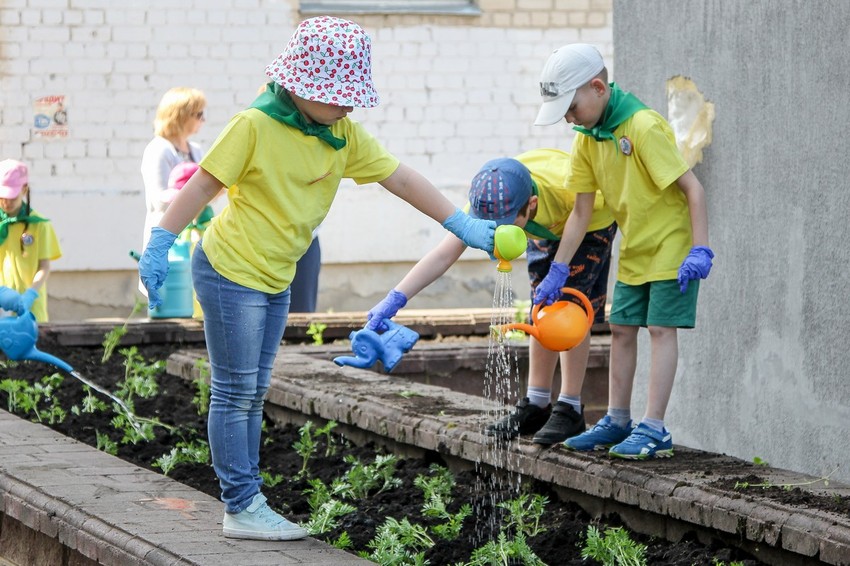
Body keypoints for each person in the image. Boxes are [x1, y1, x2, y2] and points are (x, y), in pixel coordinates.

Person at [137, 16, 496, 542]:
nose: (349, 106)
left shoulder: (340, 133)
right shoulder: (254, 125)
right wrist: (161, 240)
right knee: (236, 392)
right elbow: (202, 187)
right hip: (228, 272)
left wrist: (457, 221)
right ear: (304, 84)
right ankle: (240, 506)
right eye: (339, 95)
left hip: (275, 276)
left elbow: (399, 177)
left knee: (255, 392)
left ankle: (246, 499)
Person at [531, 44, 713, 459]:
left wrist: (700, 249)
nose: (569, 118)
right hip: (634, 246)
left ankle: (654, 427)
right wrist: (557, 271)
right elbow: (580, 212)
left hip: (672, 247)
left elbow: (693, 189)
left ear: (597, 88)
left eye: (571, 107)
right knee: (620, 329)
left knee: (661, 329)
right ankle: (616, 420)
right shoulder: (586, 139)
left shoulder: (643, 126)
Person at [366, 150, 616, 445]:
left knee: (569, 309)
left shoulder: (562, 189)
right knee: (542, 304)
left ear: (530, 206)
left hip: (588, 216)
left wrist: (561, 266)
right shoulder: (489, 200)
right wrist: (396, 298)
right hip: (545, 225)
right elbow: (444, 254)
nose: (498, 236)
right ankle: (537, 403)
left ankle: (570, 407)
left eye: (505, 226)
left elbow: (581, 213)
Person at [140, 87, 206, 249]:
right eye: (198, 114)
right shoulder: (158, 149)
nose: (203, 120)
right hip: (166, 239)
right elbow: (160, 201)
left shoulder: (195, 149)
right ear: (181, 116)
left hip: (190, 237)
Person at [0, 159, 62, 322]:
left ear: (24, 189)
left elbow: (44, 266)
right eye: (2, 197)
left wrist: (30, 294)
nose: (6, 203)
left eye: (11, 197)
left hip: (31, 308)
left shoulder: (40, 225)